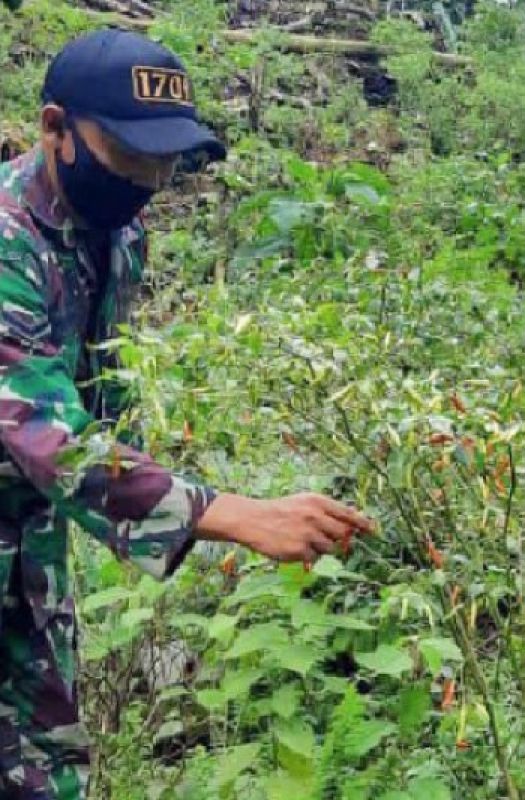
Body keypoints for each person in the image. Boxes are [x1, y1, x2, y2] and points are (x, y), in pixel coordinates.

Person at [0, 29, 375, 798]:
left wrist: (147, 502)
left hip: (28, 533)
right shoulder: (7, 240)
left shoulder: (119, 231)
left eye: (164, 162)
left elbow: (106, 384)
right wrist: (222, 511)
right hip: (31, 478)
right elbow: (48, 434)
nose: (148, 178)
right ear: (54, 130)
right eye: (129, 156)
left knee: (44, 765)